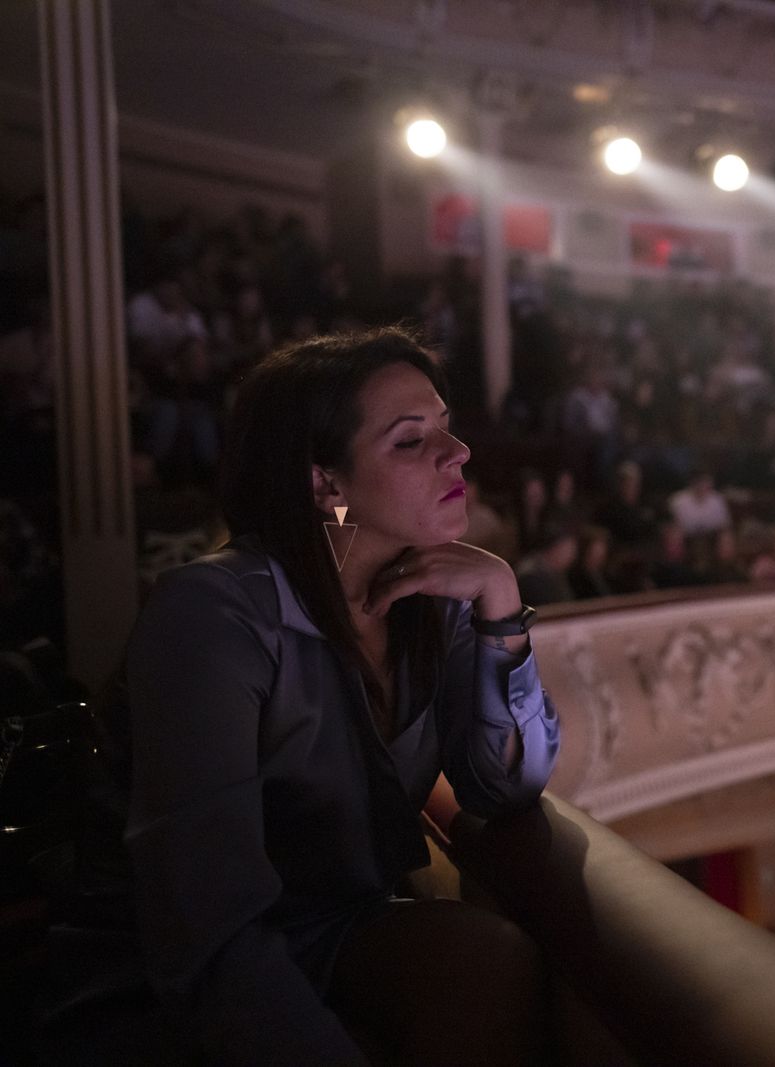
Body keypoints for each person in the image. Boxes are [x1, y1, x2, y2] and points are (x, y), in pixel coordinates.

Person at [40, 328, 560, 1066]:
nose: (459, 453)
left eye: (447, 427)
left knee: (486, 958)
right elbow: (204, 925)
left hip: (328, 926)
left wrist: (502, 610)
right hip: (157, 964)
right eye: (412, 441)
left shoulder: (439, 600)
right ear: (326, 483)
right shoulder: (213, 614)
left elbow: (505, 784)